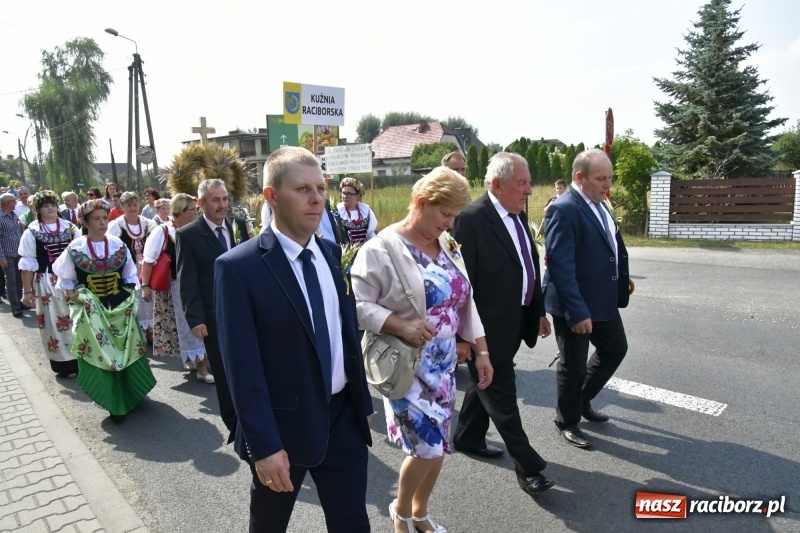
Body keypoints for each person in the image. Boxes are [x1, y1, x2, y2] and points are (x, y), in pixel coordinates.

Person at [215, 147, 373, 533]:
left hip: (343, 422)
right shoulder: (239, 267)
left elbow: (345, 333)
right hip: (282, 429)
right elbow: (241, 367)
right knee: (269, 527)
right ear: (271, 196)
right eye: (303, 189)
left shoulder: (331, 253)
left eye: (320, 187)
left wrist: (362, 403)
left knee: (353, 523)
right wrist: (263, 445)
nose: (317, 198)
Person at [352, 166, 493, 533]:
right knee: (426, 447)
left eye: (455, 216)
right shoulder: (381, 248)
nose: (449, 223)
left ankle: (420, 512)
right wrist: (402, 325)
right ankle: (400, 512)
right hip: (405, 364)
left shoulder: (446, 244)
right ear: (420, 203)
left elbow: (466, 301)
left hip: (445, 365)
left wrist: (481, 351)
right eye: (444, 213)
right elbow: (359, 306)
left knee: (439, 445)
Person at [451, 151, 555, 498]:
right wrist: (464, 336)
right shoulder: (471, 219)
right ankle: (529, 468)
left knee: (487, 385)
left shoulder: (517, 215)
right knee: (500, 392)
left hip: (516, 320)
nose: (528, 191)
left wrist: (537, 309)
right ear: (496, 184)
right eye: (521, 184)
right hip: (486, 329)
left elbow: (529, 265)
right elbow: (462, 283)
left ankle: (466, 436)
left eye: (528, 183)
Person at [543, 149, 630, 449]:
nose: (608, 184)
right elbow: (560, 266)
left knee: (615, 348)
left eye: (610, 178)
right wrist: (576, 312)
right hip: (575, 302)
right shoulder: (563, 208)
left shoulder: (599, 203)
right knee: (573, 364)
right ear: (580, 178)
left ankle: (581, 400)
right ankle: (566, 420)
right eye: (601, 178)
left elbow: (609, 244)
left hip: (601, 296)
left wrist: (619, 273)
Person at [52, 199, 157, 420]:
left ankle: (132, 391)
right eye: (96, 219)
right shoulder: (75, 248)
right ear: (85, 222)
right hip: (92, 312)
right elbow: (66, 280)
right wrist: (74, 296)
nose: (102, 222)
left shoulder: (118, 245)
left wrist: (128, 295)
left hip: (120, 307)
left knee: (127, 348)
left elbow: (129, 274)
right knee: (100, 352)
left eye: (104, 218)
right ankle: (111, 398)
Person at [175, 178, 250, 436]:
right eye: (216, 200)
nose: (222, 205)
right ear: (201, 203)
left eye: (225, 199)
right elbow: (188, 280)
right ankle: (235, 424)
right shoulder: (188, 235)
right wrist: (195, 319)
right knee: (224, 370)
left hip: (245, 312)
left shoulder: (238, 226)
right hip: (213, 315)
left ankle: (253, 417)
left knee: (249, 367)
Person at [141, 193, 213, 382]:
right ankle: (201, 367)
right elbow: (148, 260)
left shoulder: (198, 230)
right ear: (180, 211)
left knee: (199, 322)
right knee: (188, 324)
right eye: (192, 210)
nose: (196, 213)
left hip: (197, 284)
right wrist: (145, 286)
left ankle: (195, 359)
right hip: (174, 288)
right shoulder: (163, 231)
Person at [19, 191, 79, 377]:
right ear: (38, 210)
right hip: (47, 281)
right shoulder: (32, 231)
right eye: (45, 205)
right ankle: (65, 364)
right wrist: (27, 291)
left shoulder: (70, 228)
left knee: (76, 319)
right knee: (55, 322)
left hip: (73, 281)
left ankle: (84, 359)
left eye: (53, 204)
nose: (51, 208)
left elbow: (81, 254)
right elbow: (27, 264)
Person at [107, 192, 158, 339]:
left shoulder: (149, 224)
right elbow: (110, 249)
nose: (132, 207)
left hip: (148, 268)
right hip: (127, 270)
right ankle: (134, 333)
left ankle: (151, 331)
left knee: (149, 299)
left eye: (135, 204)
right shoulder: (116, 225)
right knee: (132, 299)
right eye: (128, 205)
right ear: (122, 207)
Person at [0, 193, 25, 317]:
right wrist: (1, 257)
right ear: (7, 203)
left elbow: (19, 232)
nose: (16, 203)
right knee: (11, 281)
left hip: (18, 253)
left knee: (19, 279)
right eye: (14, 201)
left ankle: (19, 301)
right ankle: (15, 306)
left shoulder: (14, 215)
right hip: (7, 255)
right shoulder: (0, 217)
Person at [333, 177, 377, 245]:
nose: (345, 196)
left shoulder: (366, 212)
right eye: (343, 193)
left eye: (349, 194)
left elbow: (372, 236)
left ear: (358, 196)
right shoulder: (337, 213)